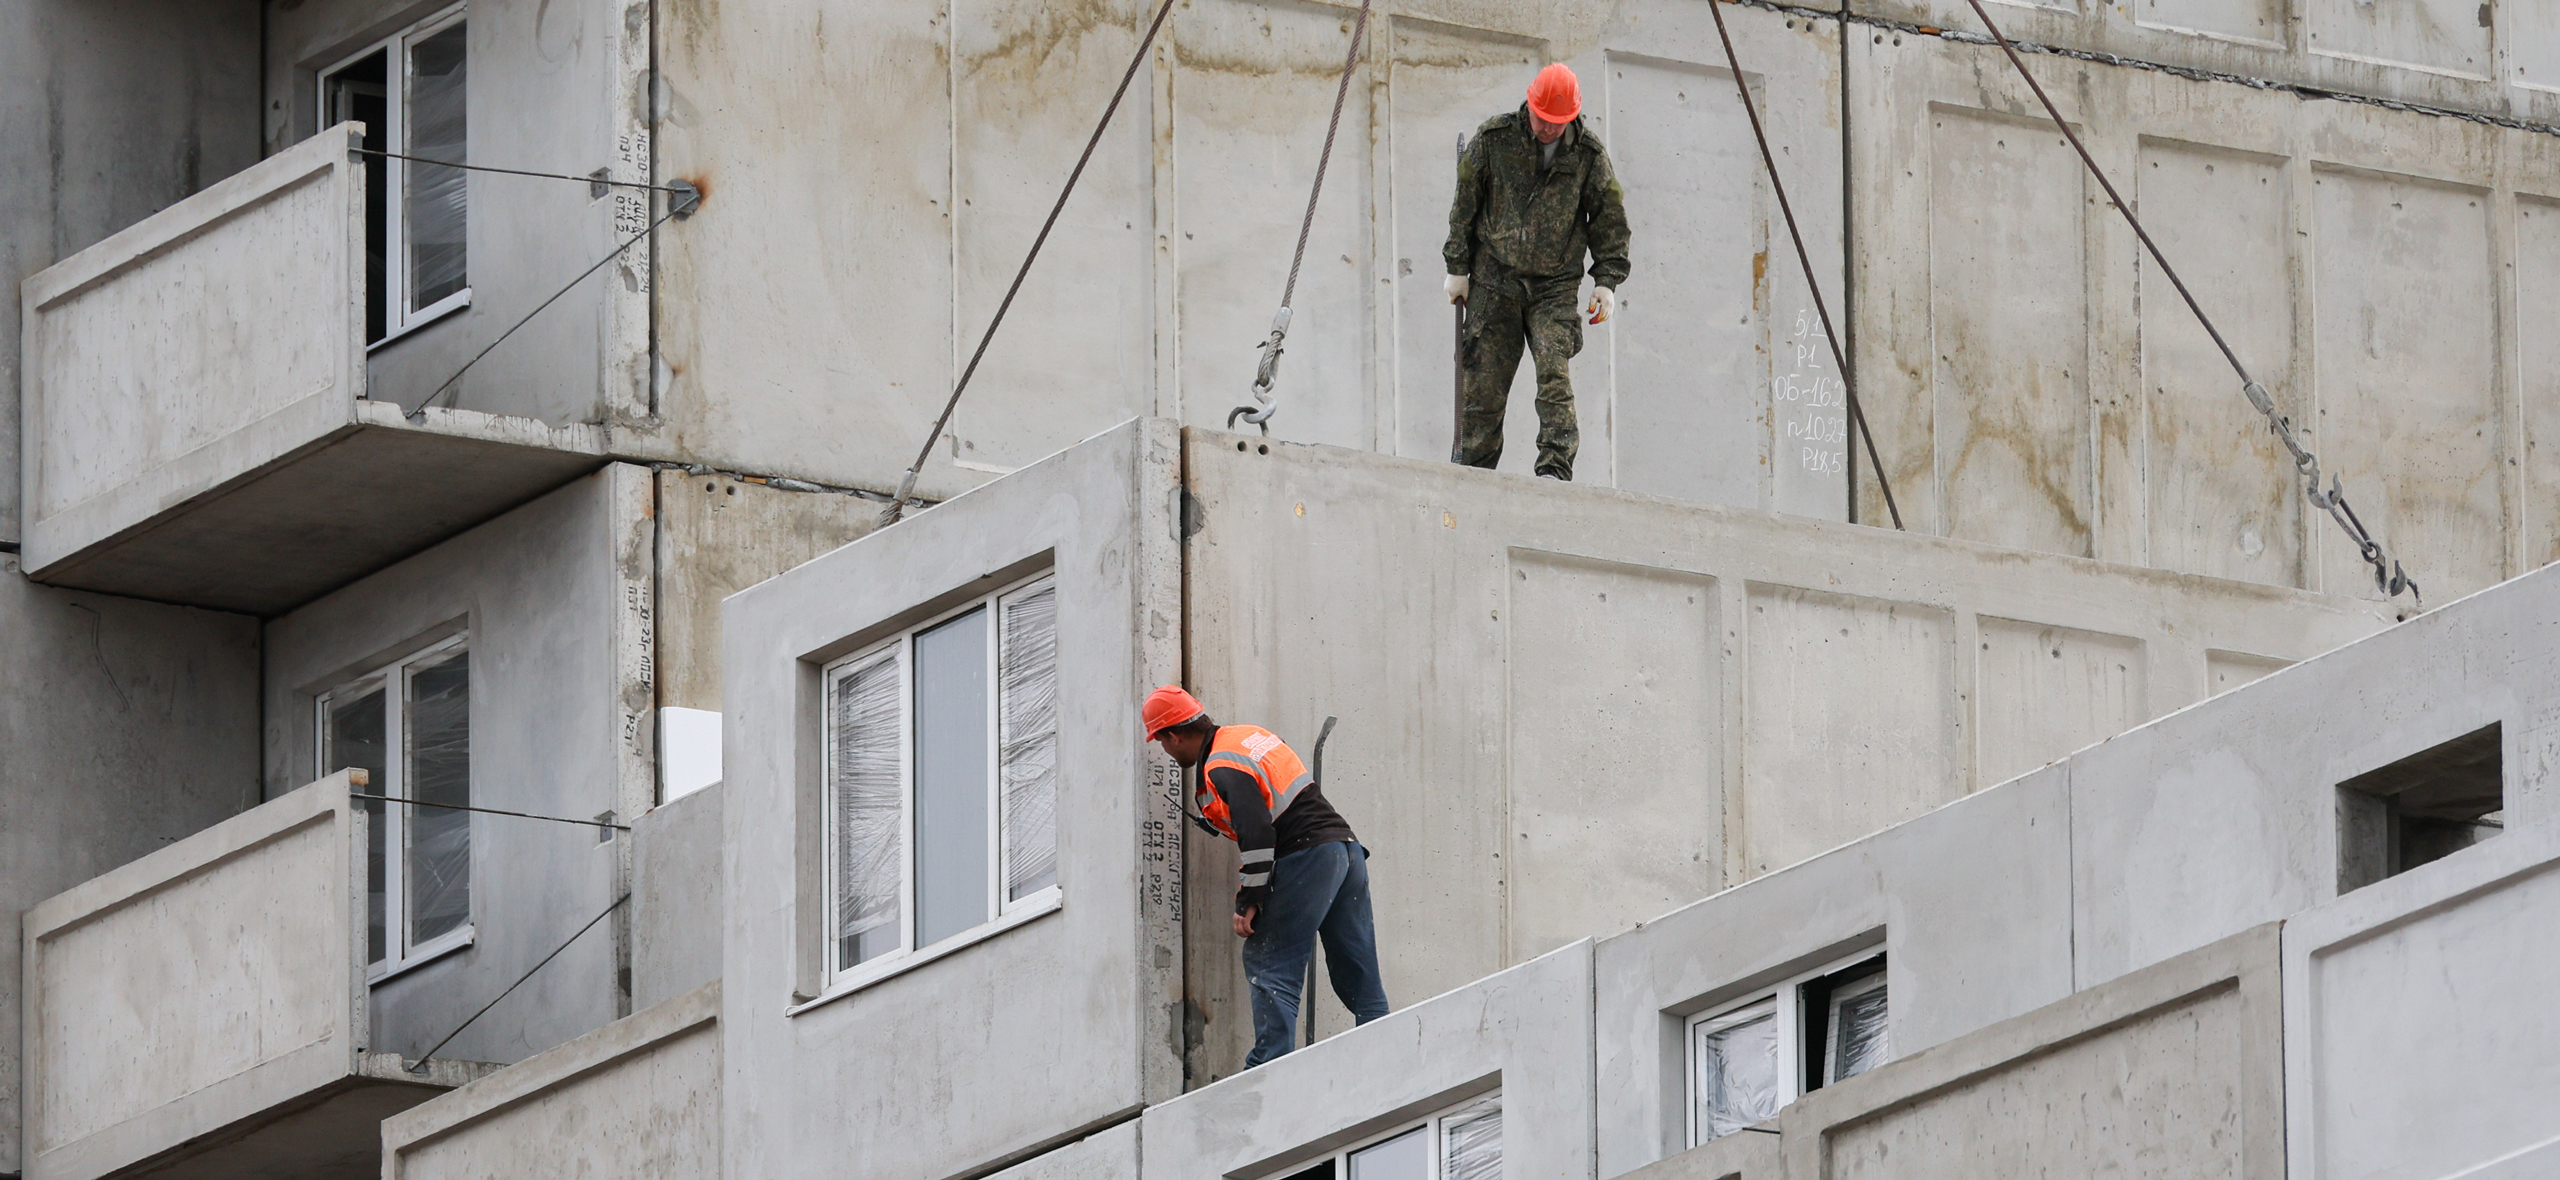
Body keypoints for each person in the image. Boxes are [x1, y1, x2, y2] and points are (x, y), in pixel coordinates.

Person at [1143, 685, 1388, 1066]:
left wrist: (1249, 899)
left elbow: (1258, 832)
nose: (1167, 751)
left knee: (1270, 962)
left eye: (1162, 743)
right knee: (1355, 963)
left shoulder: (1219, 764)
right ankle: (1385, 1048)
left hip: (1306, 855)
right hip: (1345, 851)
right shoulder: (1247, 737)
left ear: (1173, 735)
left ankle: (1268, 1068)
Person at [1443, 61, 1632, 482]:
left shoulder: (1588, 156)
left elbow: (1609, 217)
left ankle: (1554, 469)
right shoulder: (1494, 139)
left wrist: (1606, 281)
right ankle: (1473, 476)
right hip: (1495, 280)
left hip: (1554, 286)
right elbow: (1465, 203)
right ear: (1530, 105)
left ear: (1571, 118)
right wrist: (1458, 267)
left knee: (1553, 372)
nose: (1547, 128)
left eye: (1556, 122)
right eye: (1542, 118)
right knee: (1483, 388)